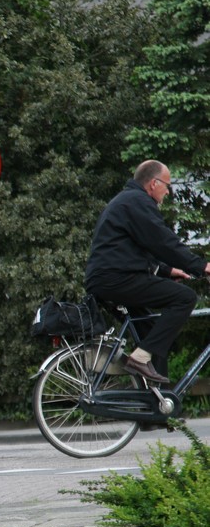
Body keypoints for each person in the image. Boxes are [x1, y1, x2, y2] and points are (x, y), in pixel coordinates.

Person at [85, 160, 210, 384]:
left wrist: (168, 270)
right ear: (154, 183)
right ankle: (140, 358)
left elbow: (134, 250)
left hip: (107, 278)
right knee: (185, 298)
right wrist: (202, 266)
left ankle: (157, 403)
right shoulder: (138, 202)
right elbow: (163, 242)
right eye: (167, 185)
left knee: (150, 332)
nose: (168, 191)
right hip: (116, 279)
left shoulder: (127, 200)